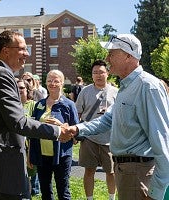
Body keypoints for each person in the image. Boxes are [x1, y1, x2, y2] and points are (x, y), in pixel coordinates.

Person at [0, 30, 70, 200]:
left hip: (3, 163)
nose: (27, 54)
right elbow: (18, 122)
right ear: (6, 50)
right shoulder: (0, 74)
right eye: (22, 49)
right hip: (3, 165)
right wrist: (58, 132)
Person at [66, 34, 169, 200]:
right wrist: (77, 128)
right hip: (127, 172)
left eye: (112, 53)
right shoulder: (127, 86)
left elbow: (162, 141)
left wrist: (156, 193)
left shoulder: (148, 87)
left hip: (138, 174)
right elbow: (107, 120)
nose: (107, 58)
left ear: (128, 56)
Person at [29, 69, 79, 200]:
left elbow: (77, 133)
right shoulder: (39, 104)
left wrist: (61, 125)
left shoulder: (69, 105)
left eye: (56, 80)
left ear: (62, 83)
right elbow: (34, 130)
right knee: (45, 190)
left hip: (62, 155)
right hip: (42, 155)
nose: (52, 83)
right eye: (49, 80)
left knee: (63, 190)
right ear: (45, 83)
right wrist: (30, 155)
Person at [75, 60, 117, 200]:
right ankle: (89, 198)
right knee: (89, 170)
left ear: (108, 73)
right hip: (89, 138)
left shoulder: (116, 92)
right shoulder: (85, 91)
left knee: (111, 172)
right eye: (95, 73)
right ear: (92, 75)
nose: (98, 75)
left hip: (109, 139)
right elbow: (78, 113)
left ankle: (112, 197)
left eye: (101, 72)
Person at [16, 79, 40, 197]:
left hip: (30, 143)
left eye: (21, 88)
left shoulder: (33, 105)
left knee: (30, 171)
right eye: (17, 87)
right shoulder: (12, 104)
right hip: (15, 143)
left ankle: (31, 191)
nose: (19, 90)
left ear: (27, 89)